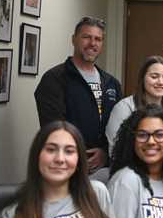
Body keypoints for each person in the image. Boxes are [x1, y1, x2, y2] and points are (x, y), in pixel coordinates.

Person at [35, 16, 122, 173]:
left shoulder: (111, 84)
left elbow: (119, 127)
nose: (92, 43)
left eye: (98, 39)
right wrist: (79, 155)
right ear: (73, 40)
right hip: (66, 166)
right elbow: (53, 128)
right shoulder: (55, 79)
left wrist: (105, 153)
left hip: (103, 168)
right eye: (86, 37)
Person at [105, 56, 163, 154]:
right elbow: (116, 151)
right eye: (154, 77)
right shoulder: (124, 108)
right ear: (143, 79)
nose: (161, 82)